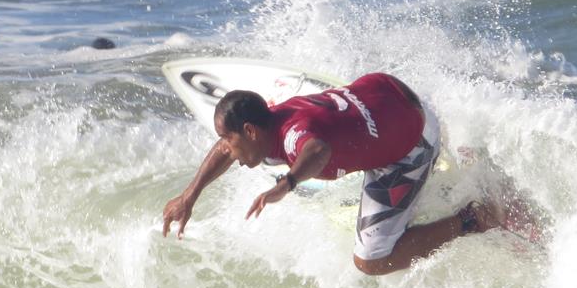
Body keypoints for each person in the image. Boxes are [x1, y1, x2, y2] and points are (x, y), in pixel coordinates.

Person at [160, 72, 534, 275]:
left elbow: (317, 151)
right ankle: (444, 150)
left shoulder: (293, 139)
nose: (227, 150)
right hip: (392, 91)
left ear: (252, 132)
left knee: (371, 260)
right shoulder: (275, 118)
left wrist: (287, 184)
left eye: (229, 140)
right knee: (337, 135)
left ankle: (477, 217)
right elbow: (228, 149)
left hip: (410, 143)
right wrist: (189, 196)